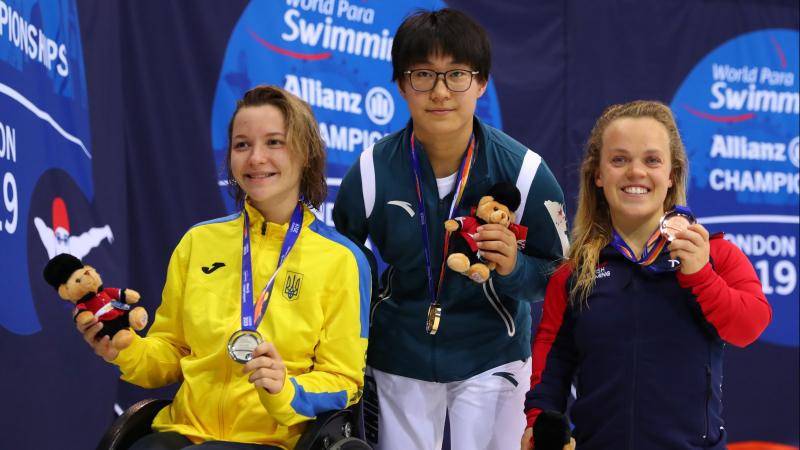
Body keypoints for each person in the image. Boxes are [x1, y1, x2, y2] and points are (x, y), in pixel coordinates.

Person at [78, 85, 371, 450]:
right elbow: (172, 351)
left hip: (275, 440)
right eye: (242, 144)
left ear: (307, 153)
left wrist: (285, 388)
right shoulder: (199, 242)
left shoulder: (340, 259)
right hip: (186, 430)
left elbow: (344, 380)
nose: (256, 158)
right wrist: (124, 348)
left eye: (275, 142)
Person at [333, 8, 568, 450]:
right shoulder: (371, 170)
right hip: (398, 358)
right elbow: (339, 258)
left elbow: (559, 276)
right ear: (402, 84)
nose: (440, 91)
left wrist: (515, 268)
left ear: (481, 83)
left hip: (493, 356)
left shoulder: (525, 172)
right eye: (423, 74)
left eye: (456, 74)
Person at [521, 100, 772, 450]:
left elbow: (750, 326)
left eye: (652, 160)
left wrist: (701, 275)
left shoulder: (715, 255)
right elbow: (554, 358)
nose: (636, 172)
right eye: (619, 159)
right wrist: (538, 419)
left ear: (672, 175)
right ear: (598, 174)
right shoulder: (575, 274)